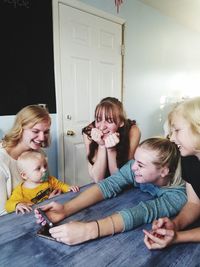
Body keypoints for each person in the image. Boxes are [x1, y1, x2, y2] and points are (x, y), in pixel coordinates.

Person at [35, 137, 187, 245]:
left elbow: (142, 212)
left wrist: (89, 230)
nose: (133, 167)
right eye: (135, 161)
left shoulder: (180, 195)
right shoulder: (133, 168)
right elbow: (107, 185)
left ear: (164, 171)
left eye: (140, 165)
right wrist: (66, 209)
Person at [143, 97, 200, 249]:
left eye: (177, 130)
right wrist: (175, 225)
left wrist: (178, 237)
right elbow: (195, 203)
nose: (172, 138)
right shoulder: (189, 159)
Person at [0, 105, 52, 216]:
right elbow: (2, 213)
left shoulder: (40, 154)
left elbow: (46, 184)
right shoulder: (2, 163)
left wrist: (50, 198)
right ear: (20, 128)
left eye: (46, 132)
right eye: (35, 131)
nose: (42, 138)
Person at [82, 97, 141, 182]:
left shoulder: (132, 131)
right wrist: (101, 146)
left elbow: (120, 179)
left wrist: (111, 150)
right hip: (102, 185)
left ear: (121, 123)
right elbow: (98, 179)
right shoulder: (89, 132)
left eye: (109, 120)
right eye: (98, 119)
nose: (102, 127)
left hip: (125, 182)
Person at [5, 150, 79, 214]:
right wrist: (17, 205)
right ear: (24, 175)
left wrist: (69, 188)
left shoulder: (49, 179)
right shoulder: (20, 191)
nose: (44, 170)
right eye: (38, 168)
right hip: (37, 216)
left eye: (45, 165)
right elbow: (8, 205)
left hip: (56, 209)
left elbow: (60, 185)